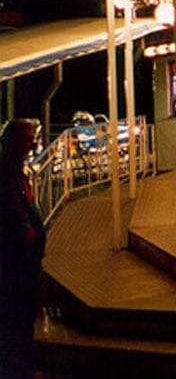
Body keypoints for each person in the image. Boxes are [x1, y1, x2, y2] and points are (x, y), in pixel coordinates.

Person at [0, 117, 46, 379]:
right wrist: (27, 231)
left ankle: (22, 362)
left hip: (23, 254)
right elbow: (13, 207)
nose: (32, 145)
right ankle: (19, 365)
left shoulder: (14, 169)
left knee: (21, 310)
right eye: (27, 140)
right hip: (18, 257)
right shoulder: (8, 171)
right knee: (19, 310)